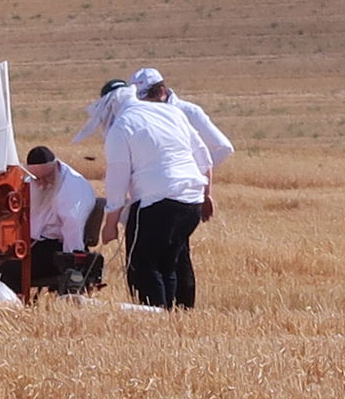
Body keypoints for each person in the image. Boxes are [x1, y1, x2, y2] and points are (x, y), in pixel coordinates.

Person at [98, 83, 213, 309]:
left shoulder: (121, 126)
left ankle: (155, 320)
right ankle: (170, 318)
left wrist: (110, 224)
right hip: (191, 201)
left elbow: (117, 181)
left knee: (143, 266)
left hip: (157, 203)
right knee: (168, 265)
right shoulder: (171, 112)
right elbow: (204, 158)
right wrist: (207, 195)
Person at [131, 67, 232, 306]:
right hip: (160, 194)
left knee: (178, 257)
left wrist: (196, 182)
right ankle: (171, 310)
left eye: (148, 96)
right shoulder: (142, 116)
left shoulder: (187, 112)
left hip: (184, 193)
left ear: (162, 91)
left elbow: (222, 148)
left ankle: (181, 309)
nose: (145, 102)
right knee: (172, 254)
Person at [24, 145, 101, 290]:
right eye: (37, 179)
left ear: (57, 167)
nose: (41, 184)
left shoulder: (72, 189)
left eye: (46, 178)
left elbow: (73, 231)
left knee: (8, 271)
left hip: (61, 249)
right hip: (36, 243)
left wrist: (71, 267)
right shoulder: (33, 181)